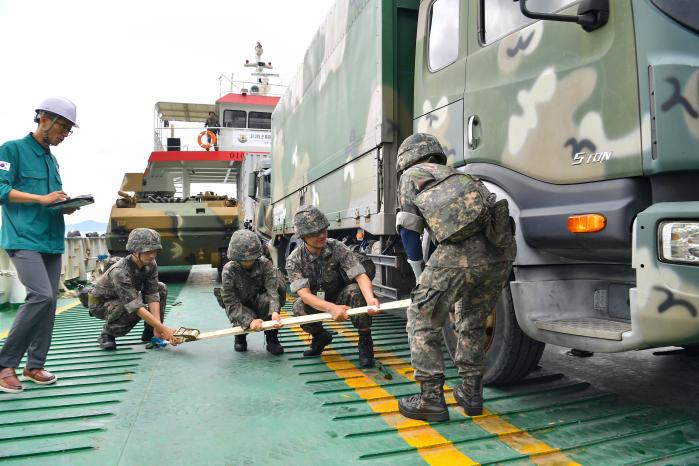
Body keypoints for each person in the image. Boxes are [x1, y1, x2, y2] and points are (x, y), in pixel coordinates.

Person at [395, 133, 515, 421]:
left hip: (457, 256)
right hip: (499, 254)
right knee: (472, 321)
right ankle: (471, 393)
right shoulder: (462, 175)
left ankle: (431, 399)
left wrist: (419, 274)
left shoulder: (412, 175)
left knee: (422, 318)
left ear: (407, 158)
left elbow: (409, 229)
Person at [0, 97, 80, 394]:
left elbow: (48, 200)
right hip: (23, 237)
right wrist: (41, 199)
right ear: (44, 120)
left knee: (50, 302)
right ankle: (4, 364)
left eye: (69, 131)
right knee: (41, 296)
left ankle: (34, 365)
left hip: (50, 239)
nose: (64, 135)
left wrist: (64, 205)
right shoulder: (12, 150)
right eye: (63, 128)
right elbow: (1, 189)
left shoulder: (51, 159)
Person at [286, 205, 380, 367]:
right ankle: (320, 336)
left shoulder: (336, 247)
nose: (322, 235)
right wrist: (330, 308)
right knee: (299, 308)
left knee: (356, 292)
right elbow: (305, 295)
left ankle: (365, 340)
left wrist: (371, 299)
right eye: (315, 233)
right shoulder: (295, 260)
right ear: (303, 236)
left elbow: (359, 274)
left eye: (324, 230)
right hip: (317, 301)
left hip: (340, 294)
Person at [88, 228, 179, 350]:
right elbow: (135, 306)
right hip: (101, 304)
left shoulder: (150, 264)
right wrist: (164, 330)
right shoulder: (120, 271)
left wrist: (158, 328)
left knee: (160, 288)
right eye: (147, 251)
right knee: (131, 307)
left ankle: (150, 331)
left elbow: (153, 294)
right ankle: (107, 334)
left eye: (155, 250)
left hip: (125, 298)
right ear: (135, 251)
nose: (152, 255)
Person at [218, 230, 286, 355]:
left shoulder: (265, 264)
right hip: (241, 305)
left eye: (252, 258)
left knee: (274, 293)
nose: (248, 262)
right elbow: (231, 303)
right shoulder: (228, 271)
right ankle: (240, 336)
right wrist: (250, 321)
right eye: (244, 259)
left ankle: (272, 339)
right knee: (237, 312)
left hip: (258, 301)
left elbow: (273, 291)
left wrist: (275, 311)